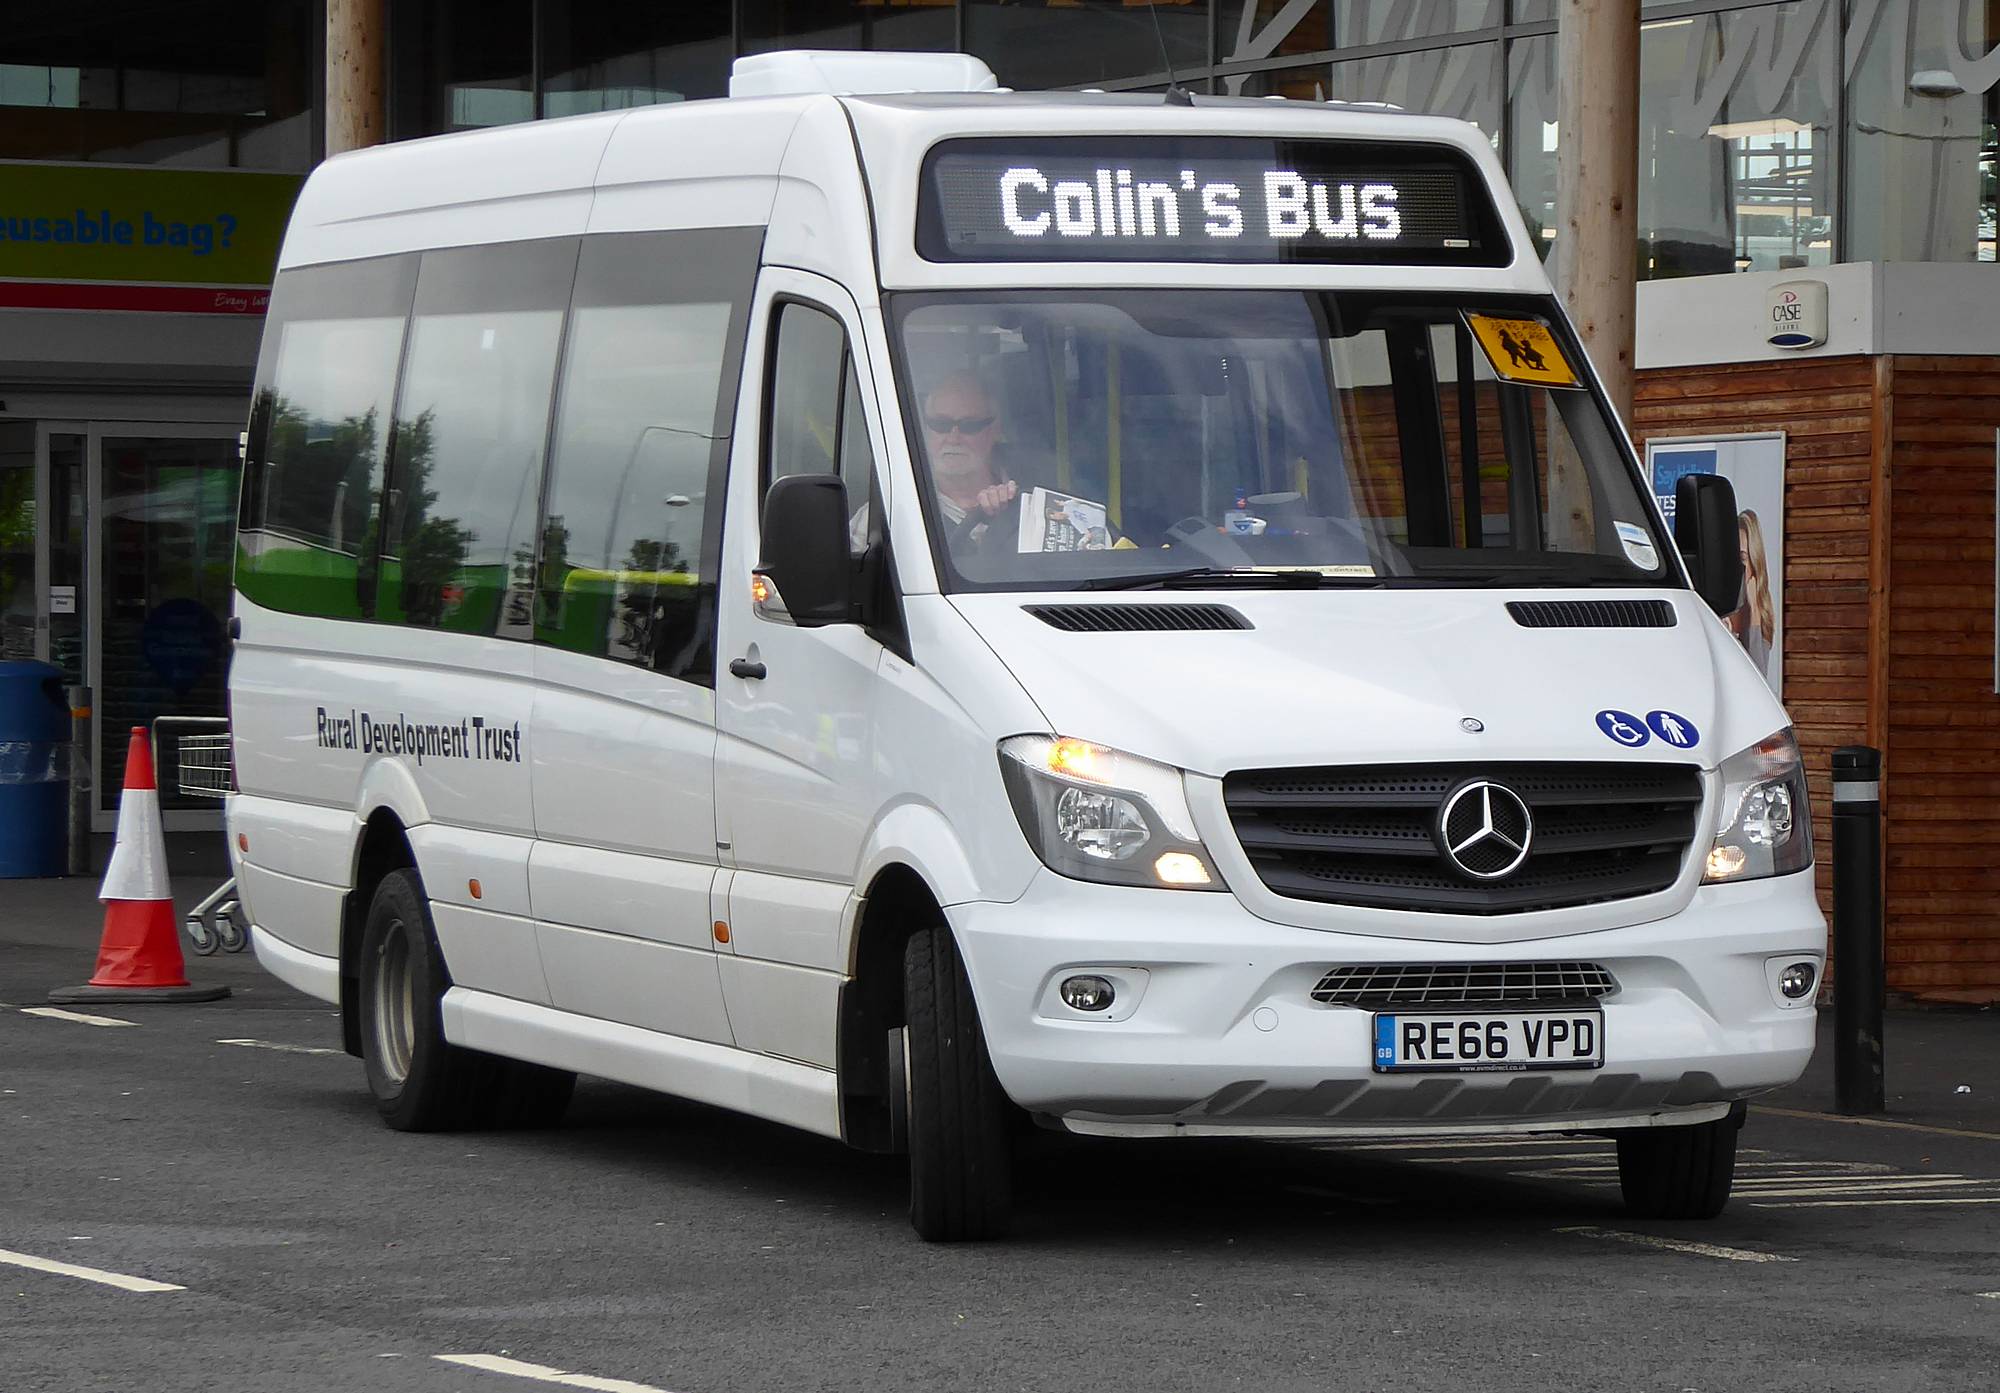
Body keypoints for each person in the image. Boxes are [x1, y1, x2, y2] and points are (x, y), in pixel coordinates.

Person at [917, 372, 1019, 549]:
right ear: (925, 429)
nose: (953, 438)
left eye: (969, 426)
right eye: (940, 424)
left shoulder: (1036, 497)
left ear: (995, 429)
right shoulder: (890, 511)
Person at [1727, 507, 1776, 682]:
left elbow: (1759, 678)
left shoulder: (1761, 611)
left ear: (1754, 562)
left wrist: (1754, 613)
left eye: (1742, 559)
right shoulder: (1719, 607)